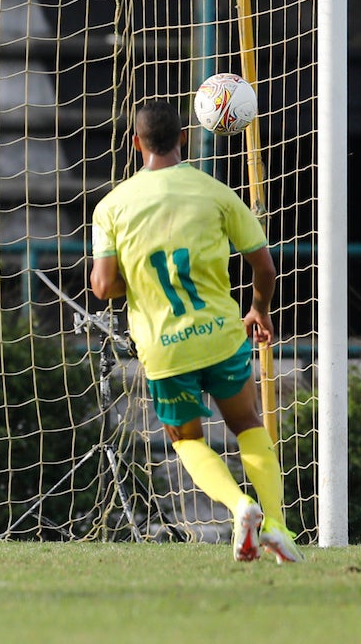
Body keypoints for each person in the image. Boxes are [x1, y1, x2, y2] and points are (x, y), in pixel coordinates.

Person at [89, 100, 303, 564]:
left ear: (136, 143)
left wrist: (136, 277)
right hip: (222, 335)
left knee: (187, 439)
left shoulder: (112, 206)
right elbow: (264, 266)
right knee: (248, 423)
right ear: (184, 137)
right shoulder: (216, 193)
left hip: (165, 348)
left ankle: (238, 506)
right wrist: (259, 310)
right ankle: (278, 525)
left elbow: (103, 286)